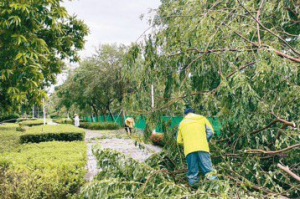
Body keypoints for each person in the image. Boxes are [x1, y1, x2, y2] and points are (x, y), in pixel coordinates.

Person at [177, 108, 218, 187]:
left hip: (189, 150)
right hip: (203, 147)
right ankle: (215, 187)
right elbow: (211, 132)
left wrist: (187, 144)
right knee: (208, 170)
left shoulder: (182, 123)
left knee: (193, 173)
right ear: (194, 113)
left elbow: (179, 141)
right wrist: (204, 140)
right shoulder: (202, 118)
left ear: (185, 115)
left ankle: (194, 190)